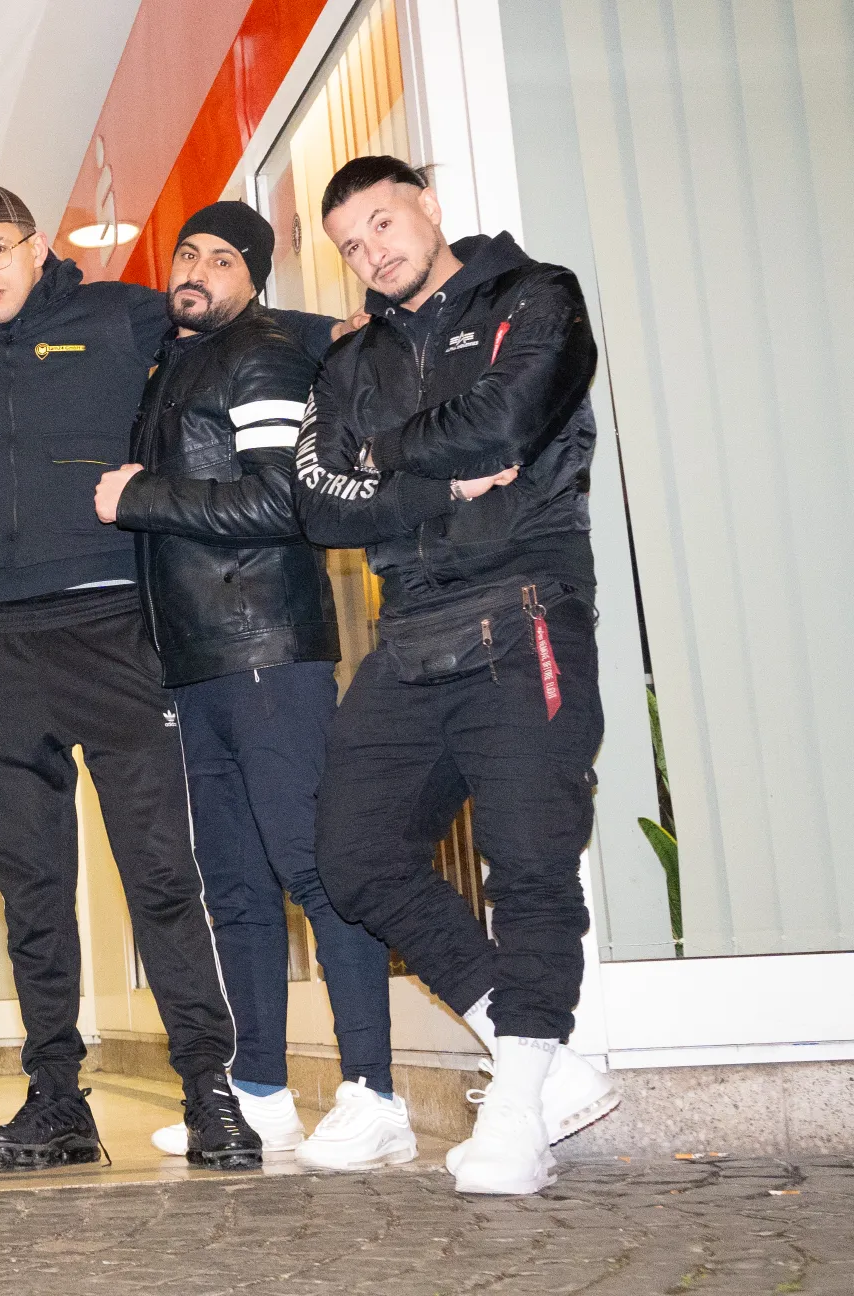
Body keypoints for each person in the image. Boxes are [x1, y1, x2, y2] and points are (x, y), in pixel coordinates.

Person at [0, 185, 338, 1173]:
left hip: (113, 628)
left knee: (161, 879)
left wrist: (354, 331)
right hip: (0, 643)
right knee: (32, 893)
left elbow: (245, 325)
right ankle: (58, 1102)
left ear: (37, 246)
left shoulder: (119, 315)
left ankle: (211, 1094)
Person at [296, 155, 619, 1196]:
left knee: (529, 866)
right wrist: (438, 477)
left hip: (525, 604)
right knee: (352, 854)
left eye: (384, 224)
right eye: (352, 245)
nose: (373, 252)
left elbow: (507, 420)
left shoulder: (537, 296)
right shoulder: (351, 361)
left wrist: (381, 453)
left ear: (429, 206)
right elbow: (320, 507)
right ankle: (545, 1068)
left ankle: (517, 1112)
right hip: (410, 630)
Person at [98, 201, 412, 1172]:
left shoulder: (261, 356)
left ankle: (375, 1093)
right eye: (187, 253)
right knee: (235, 888)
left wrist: (138, 495)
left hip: (268, 653)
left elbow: (283, 497)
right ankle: (263, 1093)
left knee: (317, 869)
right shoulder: (178, 362)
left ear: (255, 277)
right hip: (199, 666)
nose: (196, 269)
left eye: (222, 258)